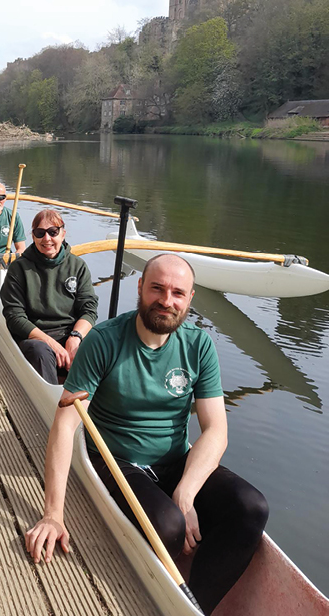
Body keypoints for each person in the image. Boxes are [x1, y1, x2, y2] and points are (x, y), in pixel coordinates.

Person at [24, 254, 269, 613]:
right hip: (117, 460)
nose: (166, 301)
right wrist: (53, 514)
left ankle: (194, 605)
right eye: (157, 288)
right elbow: (65, 424)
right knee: (168, 527)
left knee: (251, 507)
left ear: (190, 299)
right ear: (140, 287)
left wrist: (186, 494)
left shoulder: (199, 345)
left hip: (173, 461)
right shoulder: (104, 341)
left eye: (177, 293)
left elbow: (216, 430)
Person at [0, 210, 98, 384]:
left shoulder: (78, 266)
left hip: (71, 332)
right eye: (40, 233)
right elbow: (14, 317)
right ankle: (52, 402)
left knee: (101, 346)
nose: (47, 239)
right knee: (40, 351)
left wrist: (75, 337)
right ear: (33, 236)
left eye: (53, 232)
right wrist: (52, 344)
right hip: (37, 336)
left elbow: (89, 310)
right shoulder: (19, 268)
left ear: (63, 233)